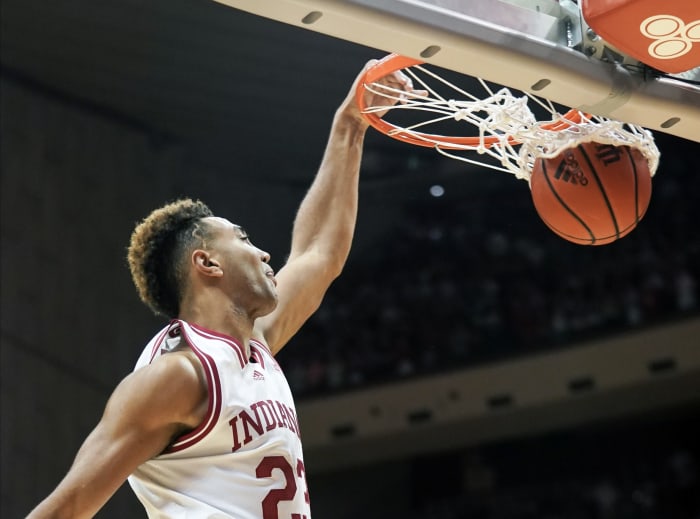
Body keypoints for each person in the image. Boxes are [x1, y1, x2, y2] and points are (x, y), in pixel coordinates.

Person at [26, 59, 415, 518]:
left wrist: (350, 125)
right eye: (245, 239)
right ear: (207, 263)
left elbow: (318, 253)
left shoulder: (256, 345)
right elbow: (68, 507)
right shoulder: (176, 377)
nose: (265, 254)